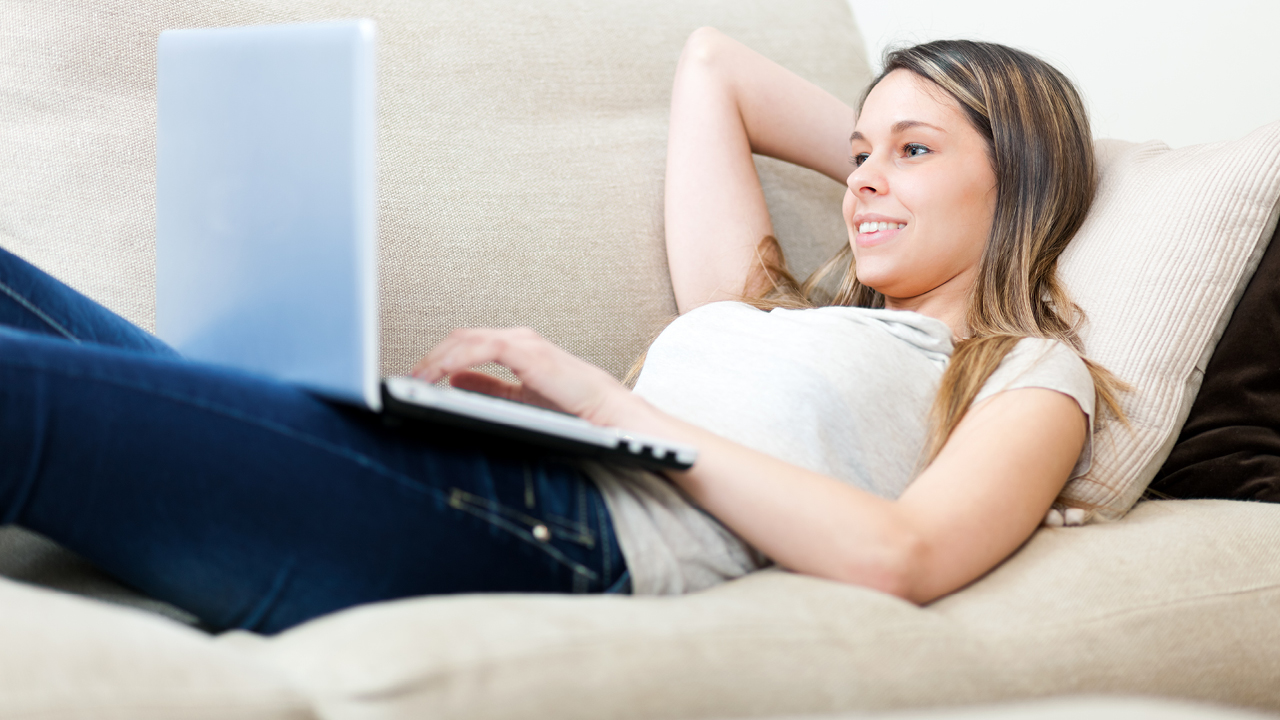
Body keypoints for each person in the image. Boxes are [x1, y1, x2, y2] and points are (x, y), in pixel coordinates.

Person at [0, 30, 1124, 633]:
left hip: (556, 528)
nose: (862, 181)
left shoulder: (1032, 373)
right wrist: (903, 145)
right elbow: (711, 64)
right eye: (855, 153)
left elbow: (903, 557)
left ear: (1016, 179)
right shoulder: (771, 306)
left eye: (912, 153)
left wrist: (609, 410)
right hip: (466, 463)